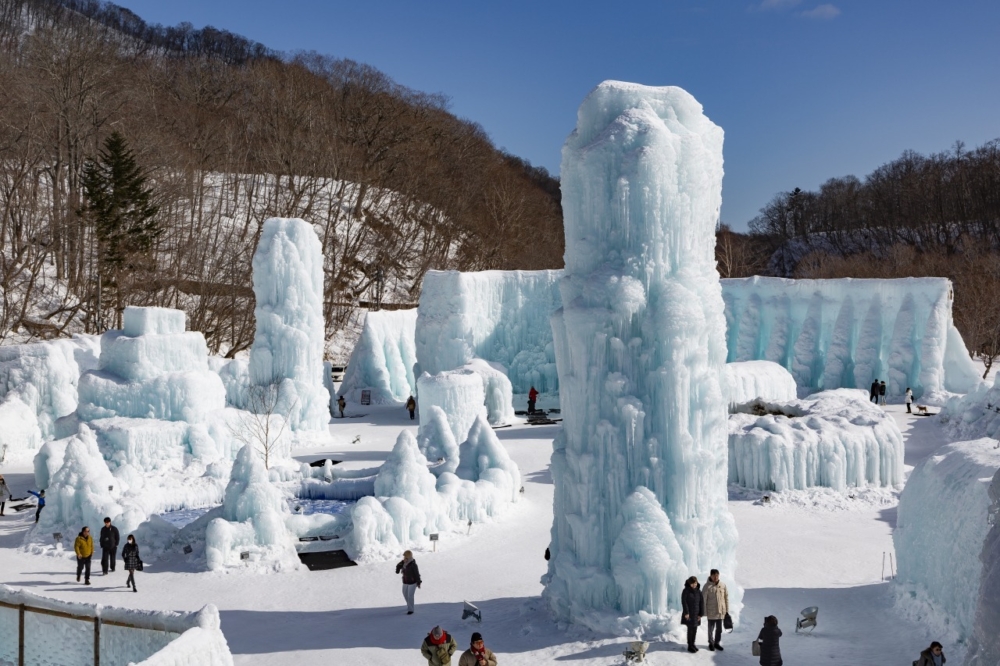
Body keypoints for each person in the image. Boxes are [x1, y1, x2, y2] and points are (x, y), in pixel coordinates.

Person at [703, 569, 729, 651]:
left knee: (719, 629)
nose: (715, 577)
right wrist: (703, 612)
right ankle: (711, 643)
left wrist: (727, 611)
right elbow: (703, 600)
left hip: (720, 611)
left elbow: (726, 598)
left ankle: (717, 643)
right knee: (711, 629)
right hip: (711, 611)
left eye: (717, 575)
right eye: (714, 575)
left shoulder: (723, 585)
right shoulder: (707, 586)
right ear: (710, 575)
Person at [681, 575, 704, 653]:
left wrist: (701, 614)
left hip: (696, 614)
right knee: (690, 629)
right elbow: (684, 602)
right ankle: (689, 645)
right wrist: (686, 613)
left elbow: (701, 603)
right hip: (689, 614)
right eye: (692, 583)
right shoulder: (686, 591)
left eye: (695, 583)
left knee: (695, 629)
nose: (694, 585)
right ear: (689, 583)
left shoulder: (699, 592)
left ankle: (693, 644)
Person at [396, 550, 422, 614]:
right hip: (405, 581)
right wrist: (398, 567)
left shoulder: (413, 565)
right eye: (404, 557)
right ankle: (409, 604)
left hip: (412, 582)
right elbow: (398, 566)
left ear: (409, 557)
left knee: (410, 595)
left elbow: (417, 574)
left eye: (405, 557)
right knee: (404, 593)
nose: (404, 558)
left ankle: (411, 609)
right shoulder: (403, 563)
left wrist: (418, 582)